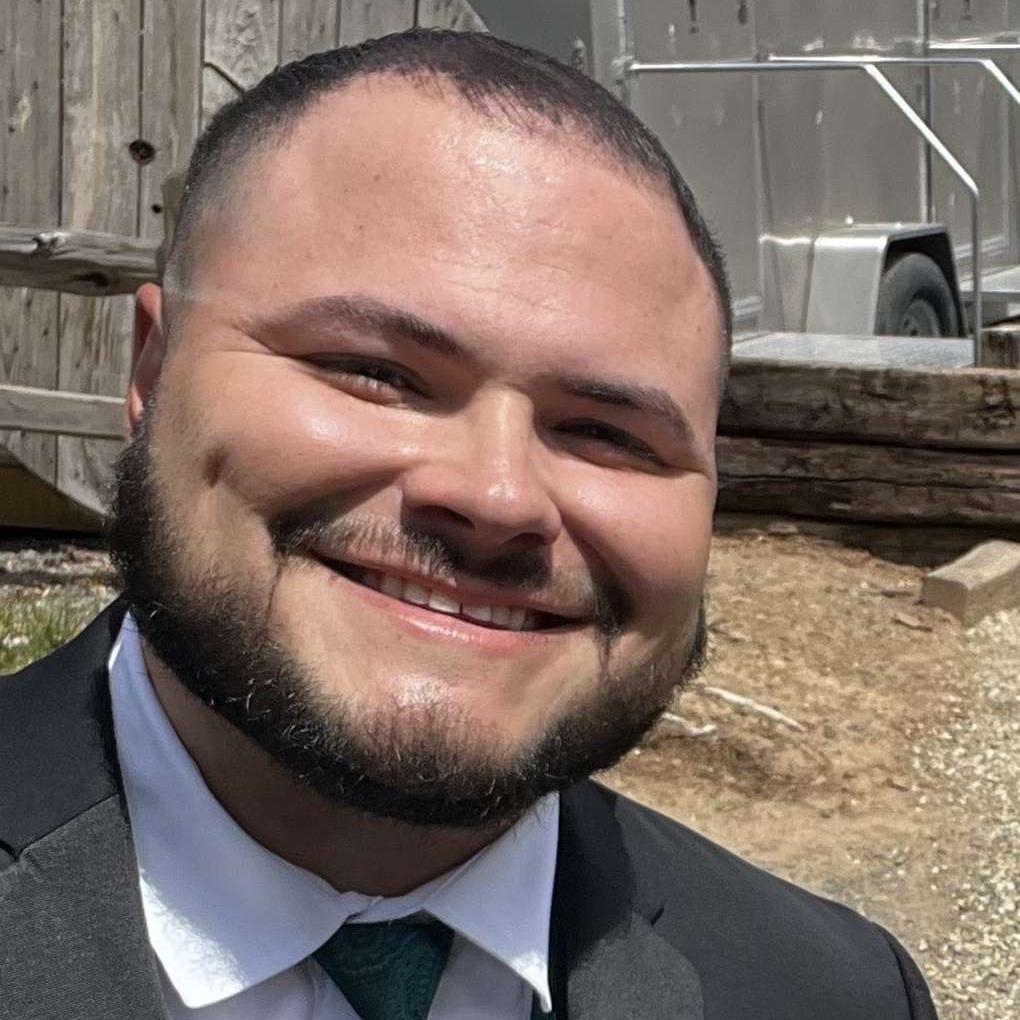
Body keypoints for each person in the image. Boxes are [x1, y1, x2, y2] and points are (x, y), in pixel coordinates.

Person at [0, 29, 936, 1020]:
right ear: (151, 374)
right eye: (375, 373)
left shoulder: (834, 994)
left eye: (605, 432)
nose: (497, 497)